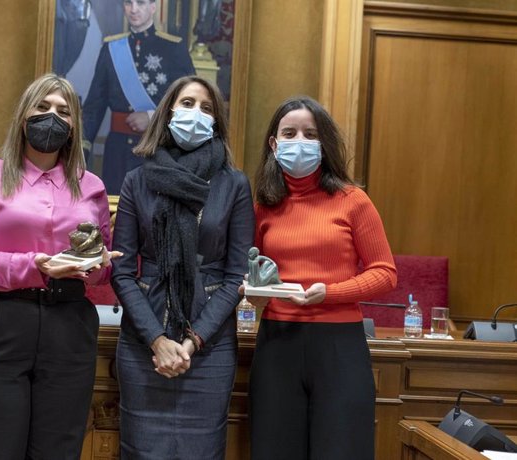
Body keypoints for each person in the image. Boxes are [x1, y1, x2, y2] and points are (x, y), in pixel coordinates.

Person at [0, 73, 121, 460]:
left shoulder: (90, 185)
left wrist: (100, 265)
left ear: (74, 125)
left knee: (58, 451)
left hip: (69, 327)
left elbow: (102, 268)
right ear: (24, 116)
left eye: (63, 111)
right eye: (42, 107)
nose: (52, 117)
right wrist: (36, 266)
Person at [111, 75, 254, 459]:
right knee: (141, 451)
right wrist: (158, 340)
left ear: (217, 122)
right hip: (145, 344)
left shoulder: (234, 184)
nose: (196, 114)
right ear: (168, 112)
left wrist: (192, 342)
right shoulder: (137, 181)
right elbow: (122, 271)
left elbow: (236, 275)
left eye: (207, 108)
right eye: (187, 104)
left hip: (209, 346)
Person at [246, 96, 397, 460]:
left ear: (324, 142)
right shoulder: (263, 205)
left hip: (338, 345)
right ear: (274, 143)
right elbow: (252, 271)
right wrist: (253, 293)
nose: (300, 140)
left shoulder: (353, 200)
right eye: (290, 132)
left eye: (310, 133)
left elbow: (385, 273)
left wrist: (328, 293)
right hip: (277, 342)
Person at [82, 0, 196, 195]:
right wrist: (81, 151)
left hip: (158, 151)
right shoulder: (111, 48)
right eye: (128, 3)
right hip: (117, 152)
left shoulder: (173, 48)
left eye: (141, 3)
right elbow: (95, 105)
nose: (133, 9)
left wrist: (152, 117)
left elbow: (190, 104)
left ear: (153, 7)